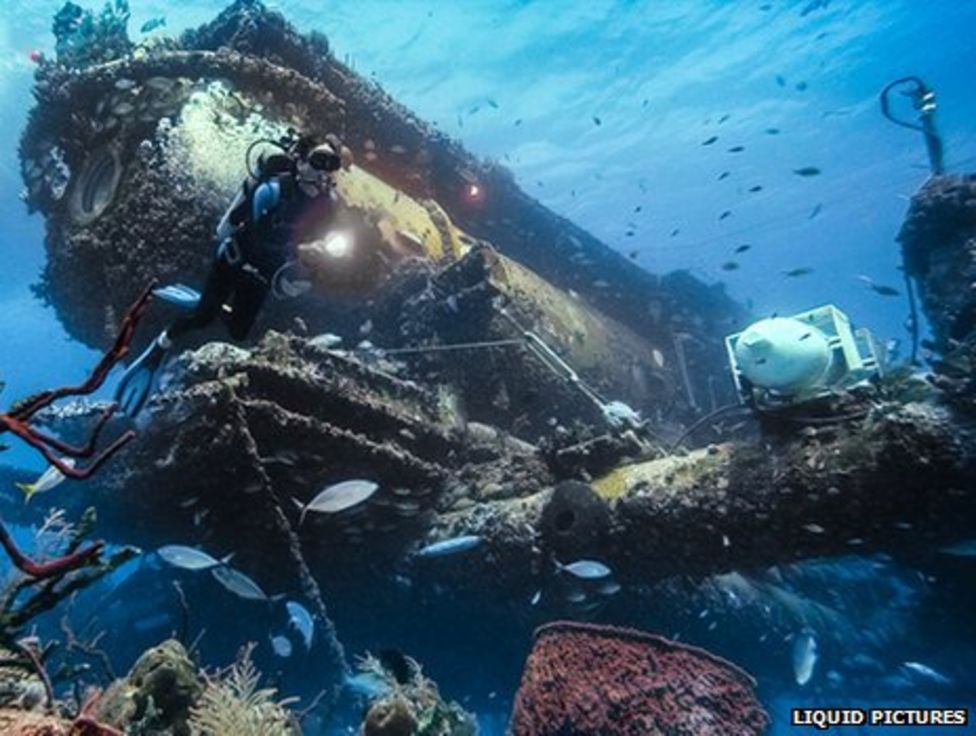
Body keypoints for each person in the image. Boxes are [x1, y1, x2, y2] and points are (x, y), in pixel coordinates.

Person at [115, 131, 345, 416]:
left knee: (239, 331)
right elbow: (254, 232)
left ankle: (207, 301)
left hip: (262, 273)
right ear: (299, 162)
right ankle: (159, 347)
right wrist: (300, 252)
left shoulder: (328, 205)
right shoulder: (272, 191)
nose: (323, 172)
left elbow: (316, 242)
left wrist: (310, 263)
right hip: (235, 259)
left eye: (331, 163)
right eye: (318, 160)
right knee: (202, 318)